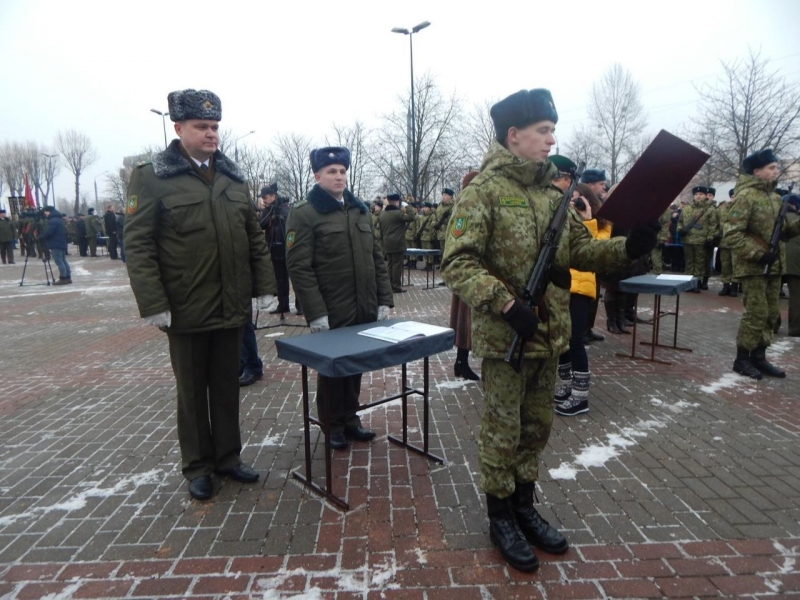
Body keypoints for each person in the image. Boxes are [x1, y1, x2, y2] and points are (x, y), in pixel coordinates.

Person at [440, 88, 658, 572]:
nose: (550, 139)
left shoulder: (551, 195)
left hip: (548, 334)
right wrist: (505, 303)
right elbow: (457, 262)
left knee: (537, 427)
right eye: (543, 131)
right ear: (513, 136)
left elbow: (582, 253)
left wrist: (629, 248)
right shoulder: (484, 192)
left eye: (552, 131)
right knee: (503, 429)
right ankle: (500, 516)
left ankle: (523, 505)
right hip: (507, 336)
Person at [124, 89, 278, 501]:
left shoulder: (231, 177)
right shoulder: (151, 177)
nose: (211, 134)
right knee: (192, 393)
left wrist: (265, 287)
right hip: (185, 308)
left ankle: (228, 458)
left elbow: (253, 238)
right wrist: (153, 303)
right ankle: (197, 466)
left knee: (226, 387)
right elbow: (138, 245)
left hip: (230, 305)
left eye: (214, 127)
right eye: (201, 127)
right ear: (178, 129)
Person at [286, 146, 393, 451]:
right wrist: (315, 312)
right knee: (332, 370)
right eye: (331, 171)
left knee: (355, 365)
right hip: (332, 308)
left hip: (363, 303)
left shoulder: (358, 210)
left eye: (342, 171)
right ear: (317, 175)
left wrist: (383, 299)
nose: (338, 176)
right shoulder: (305, 213)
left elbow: (376, 257)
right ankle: (332, 423)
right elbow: (299, 265)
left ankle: (351, 419)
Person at [725, 149, 800, 379]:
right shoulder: (746, 196)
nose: (776, 171)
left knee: (770, 313)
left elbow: (784, 232)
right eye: (771, 168)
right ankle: (742, 358)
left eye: (776, 167)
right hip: (753, 266)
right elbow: (731, 234)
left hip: (775, 265)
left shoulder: (775, 197)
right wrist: (758, 254)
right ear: (757, 171)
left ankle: (759, 356)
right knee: (756, 313)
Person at [554, 183, 606, 417]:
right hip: (562, 284)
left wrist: (588, 220)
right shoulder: (564, 219)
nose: (575, 203)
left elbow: (599, 250)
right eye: (572, 199)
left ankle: (580, 395)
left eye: (579, 199)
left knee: (575, 339)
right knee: (562, 339)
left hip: (581, 289)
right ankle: (566, 385)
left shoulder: (601, 222)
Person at [450, 172, 481, 381]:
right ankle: (461, 362)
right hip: (470, 273)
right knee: (465, 320)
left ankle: (461, 362)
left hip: (473, 273)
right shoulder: (465, 210)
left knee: (466, 320)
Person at [259, 183, 293, 314]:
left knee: (293, 278)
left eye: (265, 197)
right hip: (273, 248)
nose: (264, 200)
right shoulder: (267, 211)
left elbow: (290, 227)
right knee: (279, 279)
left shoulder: (285, 208)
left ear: (273, 196)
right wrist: (269, 211)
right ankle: (283, 305)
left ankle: (300, 306)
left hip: (286, 248)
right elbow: (261, 225)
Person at [678, 186, 715, 291]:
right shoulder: (687, 209)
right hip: (688, 240)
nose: (698, 196)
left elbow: (713, 225)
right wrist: (680, 230)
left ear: (705, 196)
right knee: (689, 262)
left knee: (699, 263)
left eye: (701, 194)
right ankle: (688, 282)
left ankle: (697, 283)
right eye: (696, 194)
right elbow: (680, 221)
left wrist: (709, 238)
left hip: (701, 241)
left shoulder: (710, 209)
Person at [379, 193, 416, 292]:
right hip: (397, 243)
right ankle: (396, 286)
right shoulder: (397, 213)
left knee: (390, 265)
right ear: (396, 201)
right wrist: (407, 206)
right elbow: (412, 217)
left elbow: (381, 230)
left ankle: (390, 285)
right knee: (397, 266)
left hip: (386, 243)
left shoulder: (382, 215)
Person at [39, 206, 71, 285]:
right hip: (61, 242)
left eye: (45, 212)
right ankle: (68, 277)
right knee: (63, 260)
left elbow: (49, 232)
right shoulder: (59, 219)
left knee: (59, 261)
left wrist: (41, 237)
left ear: (48, 211)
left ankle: (63, 278)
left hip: (55, 243)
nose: (45, 214)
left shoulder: (53, 221)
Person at [716, 189, 738, 297]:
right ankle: (725, 285)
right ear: (730, 197)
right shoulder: (722, 209)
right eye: (733, 196)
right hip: (724, 242)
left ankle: (734, 286)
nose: (735, 198)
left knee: (735, 265)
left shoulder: (743, 209)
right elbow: (717, 223)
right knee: (725, 265)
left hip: (737, 242)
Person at [784, 194, 800, 336]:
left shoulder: (774, 219)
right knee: (796, 296)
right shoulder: (797, 220)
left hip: (773, 260)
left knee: (770, 295)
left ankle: (772, 325)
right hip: (796, 263)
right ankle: (795, 328)